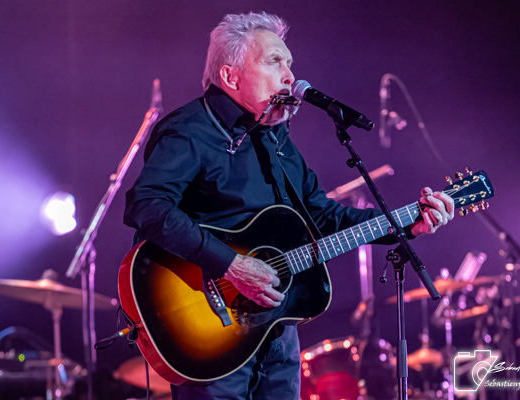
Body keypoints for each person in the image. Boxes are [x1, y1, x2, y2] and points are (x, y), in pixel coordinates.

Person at [124, 11, 454, 400]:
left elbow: (325, 217)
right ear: (231, 77)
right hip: (209, 327)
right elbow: (148, 205)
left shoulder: (277, 138)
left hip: (278, 329)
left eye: (290, 63)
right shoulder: (190, 130)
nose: (290, 76)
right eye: (274, 62)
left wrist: (408, 222)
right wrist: (231, 265)